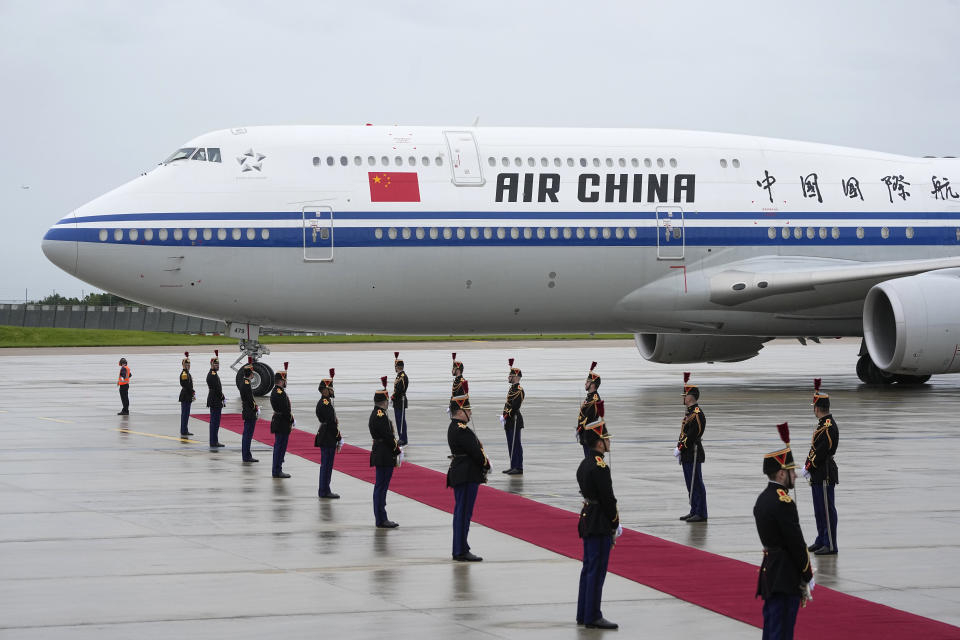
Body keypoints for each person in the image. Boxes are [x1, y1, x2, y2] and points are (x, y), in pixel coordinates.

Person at [754, 423, 814, 640]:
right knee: (783, 631)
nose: (795, 476)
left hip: (771, 571)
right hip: (786, 574)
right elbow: (796, 542)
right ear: (781, 474)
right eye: (791, 471)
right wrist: (807, 573)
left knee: (772, 627)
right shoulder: (783, 502)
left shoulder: (763, 499)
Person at [576, 417, 620, 630]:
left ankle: (583, 613)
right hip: (600, 520)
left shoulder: (585, 463)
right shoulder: (600, 466)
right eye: (606, 439)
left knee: (588, 568)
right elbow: (608, 499)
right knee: (597, 569)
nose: (608, 442)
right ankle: (593, 615)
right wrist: (615, 523)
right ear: (600, 442)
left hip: (587, 518)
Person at [446, 382, 490, 561]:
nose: (470, 413)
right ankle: (460, 550)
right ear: (460, 411)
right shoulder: (461, 429)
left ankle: (461, 547)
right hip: (466, 475)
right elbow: (476, 452)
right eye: (468, 410)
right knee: (463, 514)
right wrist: (486, 464)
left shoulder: (456, 428)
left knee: (461, 513)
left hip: (462, 473)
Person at [803, 378, 839, 555]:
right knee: (819, 510)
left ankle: (830, 544)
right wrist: (808, 466)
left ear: (817, 408)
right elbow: (815, 448)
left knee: (826, 510)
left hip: (824, 472)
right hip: (818, 472)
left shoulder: (828, 427)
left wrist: (808, 466)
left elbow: (821, 452)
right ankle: (821, 539)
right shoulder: (822, 425)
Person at [676, 372, 707, 522]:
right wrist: (679, 447)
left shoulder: (697, 414)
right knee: (691, 483)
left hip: (693, 452)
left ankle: (701, 513)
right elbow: (684, 432)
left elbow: (693, 434)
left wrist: (680, 447)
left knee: (697, 483)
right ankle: (694, 509)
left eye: (684, 395)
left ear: (690, 397)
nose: (683, 397)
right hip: (687, 453)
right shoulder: (689, 413)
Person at [369, 376, 401, 527]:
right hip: (384, 454)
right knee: (381, 487)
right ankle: (381, 518)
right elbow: (388, 436)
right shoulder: (380, 416)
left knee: (380, 487)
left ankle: (381, 517)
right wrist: (397, 450)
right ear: (384, 401)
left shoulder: (377, 414)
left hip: (380, 452)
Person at [315, 368, 343, 499]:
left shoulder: (326, 402)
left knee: (326, 466)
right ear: (325, 390)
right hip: (328, 437)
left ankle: (325, 489)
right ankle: (324, 491)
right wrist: (339, 437)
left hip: (326, 435)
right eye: (330, 388)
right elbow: (331, 423)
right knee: (326, 466)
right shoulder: (325, 403)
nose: (332, 391)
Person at [501, 358, 525, 475]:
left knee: (516, 444)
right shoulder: (512, 389)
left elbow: (515, 406)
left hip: (514, 419)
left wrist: (506, 415)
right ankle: (513, 465)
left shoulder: (519, 390)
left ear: (515, 377)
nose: (508, 377)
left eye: (510, 376)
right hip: (509, 420)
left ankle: (518, 467)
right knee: (510, 443)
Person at [269, 363, 293, 478]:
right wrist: (291, 419)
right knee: (280, 447)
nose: (286, 382)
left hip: (279, 421)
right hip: (282, 422)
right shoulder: (279, 393)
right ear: (281, 381)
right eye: (285, 380)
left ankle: (277, 469)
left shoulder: (277, 391)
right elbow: (285, 410)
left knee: (280, 446)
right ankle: (277, 470)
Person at [577, 362, 603, 457]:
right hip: (586, 436)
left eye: (587, 381)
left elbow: (588, 419)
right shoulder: (590, 398)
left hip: (590, 436)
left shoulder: (593, 400)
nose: (585, 383)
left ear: (593, 384)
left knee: (591, 462)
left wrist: (580, 429)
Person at [238, 360, 259, 463]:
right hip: (249, 412)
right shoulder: (246, 384)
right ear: (250, 374)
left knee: (247, 434)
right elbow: (250, 400)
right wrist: (256, 408)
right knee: (247, 435)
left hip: (247, 411)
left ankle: (246, 455)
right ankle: (246, 456)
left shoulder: (245, 382)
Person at [206, 350, 226, 449]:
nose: (217, 365)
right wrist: (222, 396)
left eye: (218, 364)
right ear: (211, 364)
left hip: (214, 399)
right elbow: (216, 389)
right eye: (215, 364)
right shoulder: (212, 375)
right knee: (215, 422)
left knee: (215, 422)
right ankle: (214, 441)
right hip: (215, 400)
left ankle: (214, 440)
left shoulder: (213, 374)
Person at [392, 352, 410, 446]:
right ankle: (401, 437)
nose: (395, 368)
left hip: (400, 400)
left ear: (398, 367)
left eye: (395, 366)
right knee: (398, 420)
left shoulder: (403, 377)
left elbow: (400, 389)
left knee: (401, 420)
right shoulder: (399, 376)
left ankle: (403, 438)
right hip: (397, 401)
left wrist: (393, 396)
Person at [178, 352, 194, 437]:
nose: (188, 366)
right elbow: (186, 385)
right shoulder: (184, 374)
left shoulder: (187, 373)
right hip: (185, 395)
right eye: (186, 365)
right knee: (185, 414)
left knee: (186, 414)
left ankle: (185, 429)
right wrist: (192, 391)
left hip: (187, 395)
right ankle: (183, 430)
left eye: (189, 364)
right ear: (183, 365)